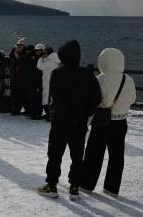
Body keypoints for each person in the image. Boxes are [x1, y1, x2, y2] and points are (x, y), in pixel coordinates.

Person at [38, 40, 102, 201]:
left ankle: (52, 185)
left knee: (55, 154)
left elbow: (57, 98)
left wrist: (67, 115)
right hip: (80, 123)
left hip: (60, 121)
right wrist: (85, 114)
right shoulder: (88, 74)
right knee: (77, 155)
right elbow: (96, 98)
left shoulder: (57, 73)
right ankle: (74, 188)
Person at [80, 48, 136, 197]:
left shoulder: (101, 79)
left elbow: (93, 102)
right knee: (117, 157)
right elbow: (133, 99)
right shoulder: (128, 79)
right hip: (121, 121)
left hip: (102, 122)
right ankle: (112, 188)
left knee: (94, 154)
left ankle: (86, 185)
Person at [37, 45, 60, 121]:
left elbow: (40, 66)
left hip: (49, 82)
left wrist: (40, 59)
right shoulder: (52, 60)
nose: (43, 54)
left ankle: (49, 115)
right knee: (47, 99)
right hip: (49, 81)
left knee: (47, 100)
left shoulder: (51, 61)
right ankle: (48, 115)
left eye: (44, 52)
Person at [9, 38, 29, 115]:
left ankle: (19, 109)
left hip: (22, 78)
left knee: (21, 94)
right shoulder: (13, 53)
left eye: (21, 45)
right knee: (14, 93)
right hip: (14, 77)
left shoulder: (26, 54)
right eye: (18, 45)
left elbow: (25, 65)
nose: (19, 47)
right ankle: (15, 109)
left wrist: (18, 58)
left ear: (24, 47)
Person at [25, 44, 44, 120]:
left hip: (41, 81)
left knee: (40, 98)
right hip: (32, 81)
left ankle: (38, 113)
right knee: (32, 97)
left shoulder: (44, 59)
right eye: (37, 50)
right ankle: (33, 114)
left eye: (39, 50)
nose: (38, 51)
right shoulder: (31, 57)